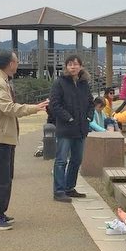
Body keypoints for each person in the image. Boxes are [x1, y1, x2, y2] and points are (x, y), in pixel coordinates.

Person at [0, 51, 48, 230]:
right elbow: (8, 108)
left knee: (5, 177)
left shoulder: (1, 79)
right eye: (16, 61)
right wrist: (35, 108)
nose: (18, 64)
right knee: (0, 179)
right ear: (10, 64)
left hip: (3, 136)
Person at [50, 54, 94, 203]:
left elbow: (90, 103)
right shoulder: (60, 83)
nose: (73, 67)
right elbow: (55, 105)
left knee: (77, 159)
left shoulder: (84, 83)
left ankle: (70, 187)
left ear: (81, 66)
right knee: (61, 160)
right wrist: (68, 117)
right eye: (70, 64)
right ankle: (59, 190)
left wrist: (89, 117)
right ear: (66, 67)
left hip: (81, 129)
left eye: (76, 64)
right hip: (65, 128)